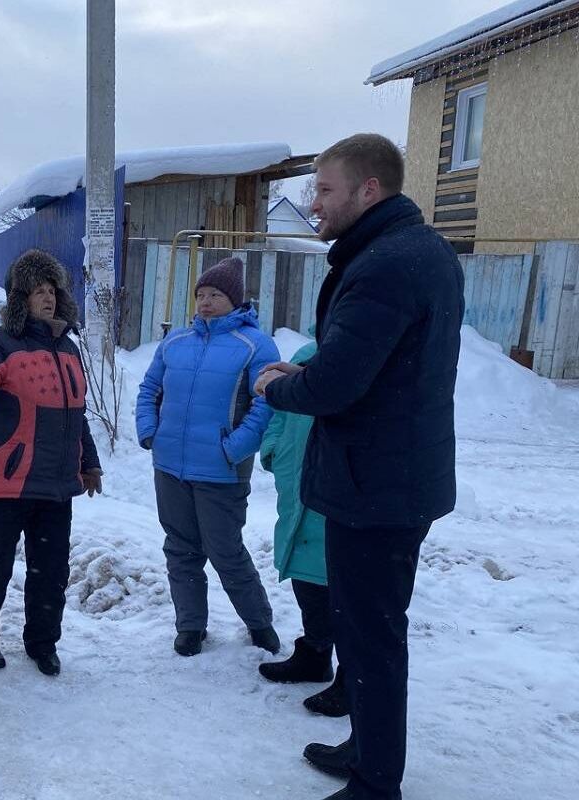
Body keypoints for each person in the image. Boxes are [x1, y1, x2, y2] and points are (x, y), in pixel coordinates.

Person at [255, 133, 464, 800]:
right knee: (367, 627)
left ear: (368, 190)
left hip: (375, 484)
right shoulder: (418, 251)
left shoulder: (383, 265)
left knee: (371, 635)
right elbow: (375, 367)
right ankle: (366, 748)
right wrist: (314, 370)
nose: (314, 203)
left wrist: (276, 387)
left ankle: (377, 782)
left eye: (324, 189)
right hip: (392, 473)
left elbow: (334, 387)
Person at [0, 249, 102, 677]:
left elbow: (77, 414)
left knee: (51, 572)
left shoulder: (69, 349)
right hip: (6, 480)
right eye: (38, 291)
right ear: (21, 298)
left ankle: (42, 643)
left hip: (56, 483)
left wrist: (88, 463)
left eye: (52, 290)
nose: (48, 298)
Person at [135, 256, 281, 657]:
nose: (205, 301)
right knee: (180, 549)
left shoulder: (255, 345)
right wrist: (150, 431)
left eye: (215, 294)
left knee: (226, 551)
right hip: (170, 467)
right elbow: (149, 389)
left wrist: (233, 448)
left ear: (235, 300)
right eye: (200, 294)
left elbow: (265, 405)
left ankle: (259, 622)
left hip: (221, 471)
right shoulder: (175, 342)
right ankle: (190, 627)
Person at [257, 336, 348, 718]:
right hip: (295, 480)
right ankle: (314, 653)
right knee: (305, 574)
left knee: (342, 584)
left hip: (336, 485)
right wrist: (273, 449)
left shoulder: (353, 357)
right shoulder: (306, 354)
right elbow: (279, 409)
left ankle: (351, 675)